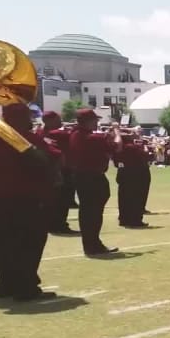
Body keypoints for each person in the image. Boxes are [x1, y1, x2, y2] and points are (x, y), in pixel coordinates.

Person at [0, 103, 60, 301]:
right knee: (30, 243)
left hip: (1, 198)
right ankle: (26, 287)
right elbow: (51, 157)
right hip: (27, 198)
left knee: (5, 243)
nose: (31, 121)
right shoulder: (24, 139)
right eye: (27, 117)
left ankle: (6, 284)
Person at [70, 109, 121, 256]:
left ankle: (92, 244)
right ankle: (93, 245)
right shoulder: (91, 138)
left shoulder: (75, 134)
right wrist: (116, 132)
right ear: (88, 121)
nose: (97, 123)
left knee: (87, 213)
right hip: (92, 177)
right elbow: (117, 146)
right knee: (93, 213)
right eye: (94, 120)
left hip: (82, 176)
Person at [37, 111, 75, 234]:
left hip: (54, 170)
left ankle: (54, 224)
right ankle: (58, 225)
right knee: (61, 199)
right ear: (49, 121)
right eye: (58, 119)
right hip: (59, 170)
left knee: (57, 200)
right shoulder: (52, 134)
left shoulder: (41, 132)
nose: (60, 121)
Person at [115, 131, 151, 228]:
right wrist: (144, 146)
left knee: (123, 198)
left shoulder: (118, 149)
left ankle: (123, 218)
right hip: (136, 175)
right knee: (137, 198)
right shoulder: (131, 147)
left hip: (123, 174)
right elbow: (146, 155)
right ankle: (135, 220)